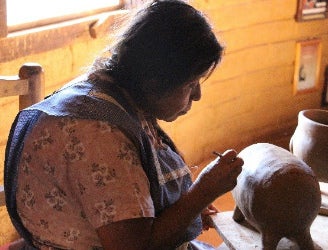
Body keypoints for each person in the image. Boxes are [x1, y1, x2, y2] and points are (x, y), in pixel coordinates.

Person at [4, 0, 243, 249]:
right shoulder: (98, 135)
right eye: (190, 84)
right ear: (155, 82)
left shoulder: (115, 91)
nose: (197, 96)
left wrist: (187, 209)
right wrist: (202, 192)